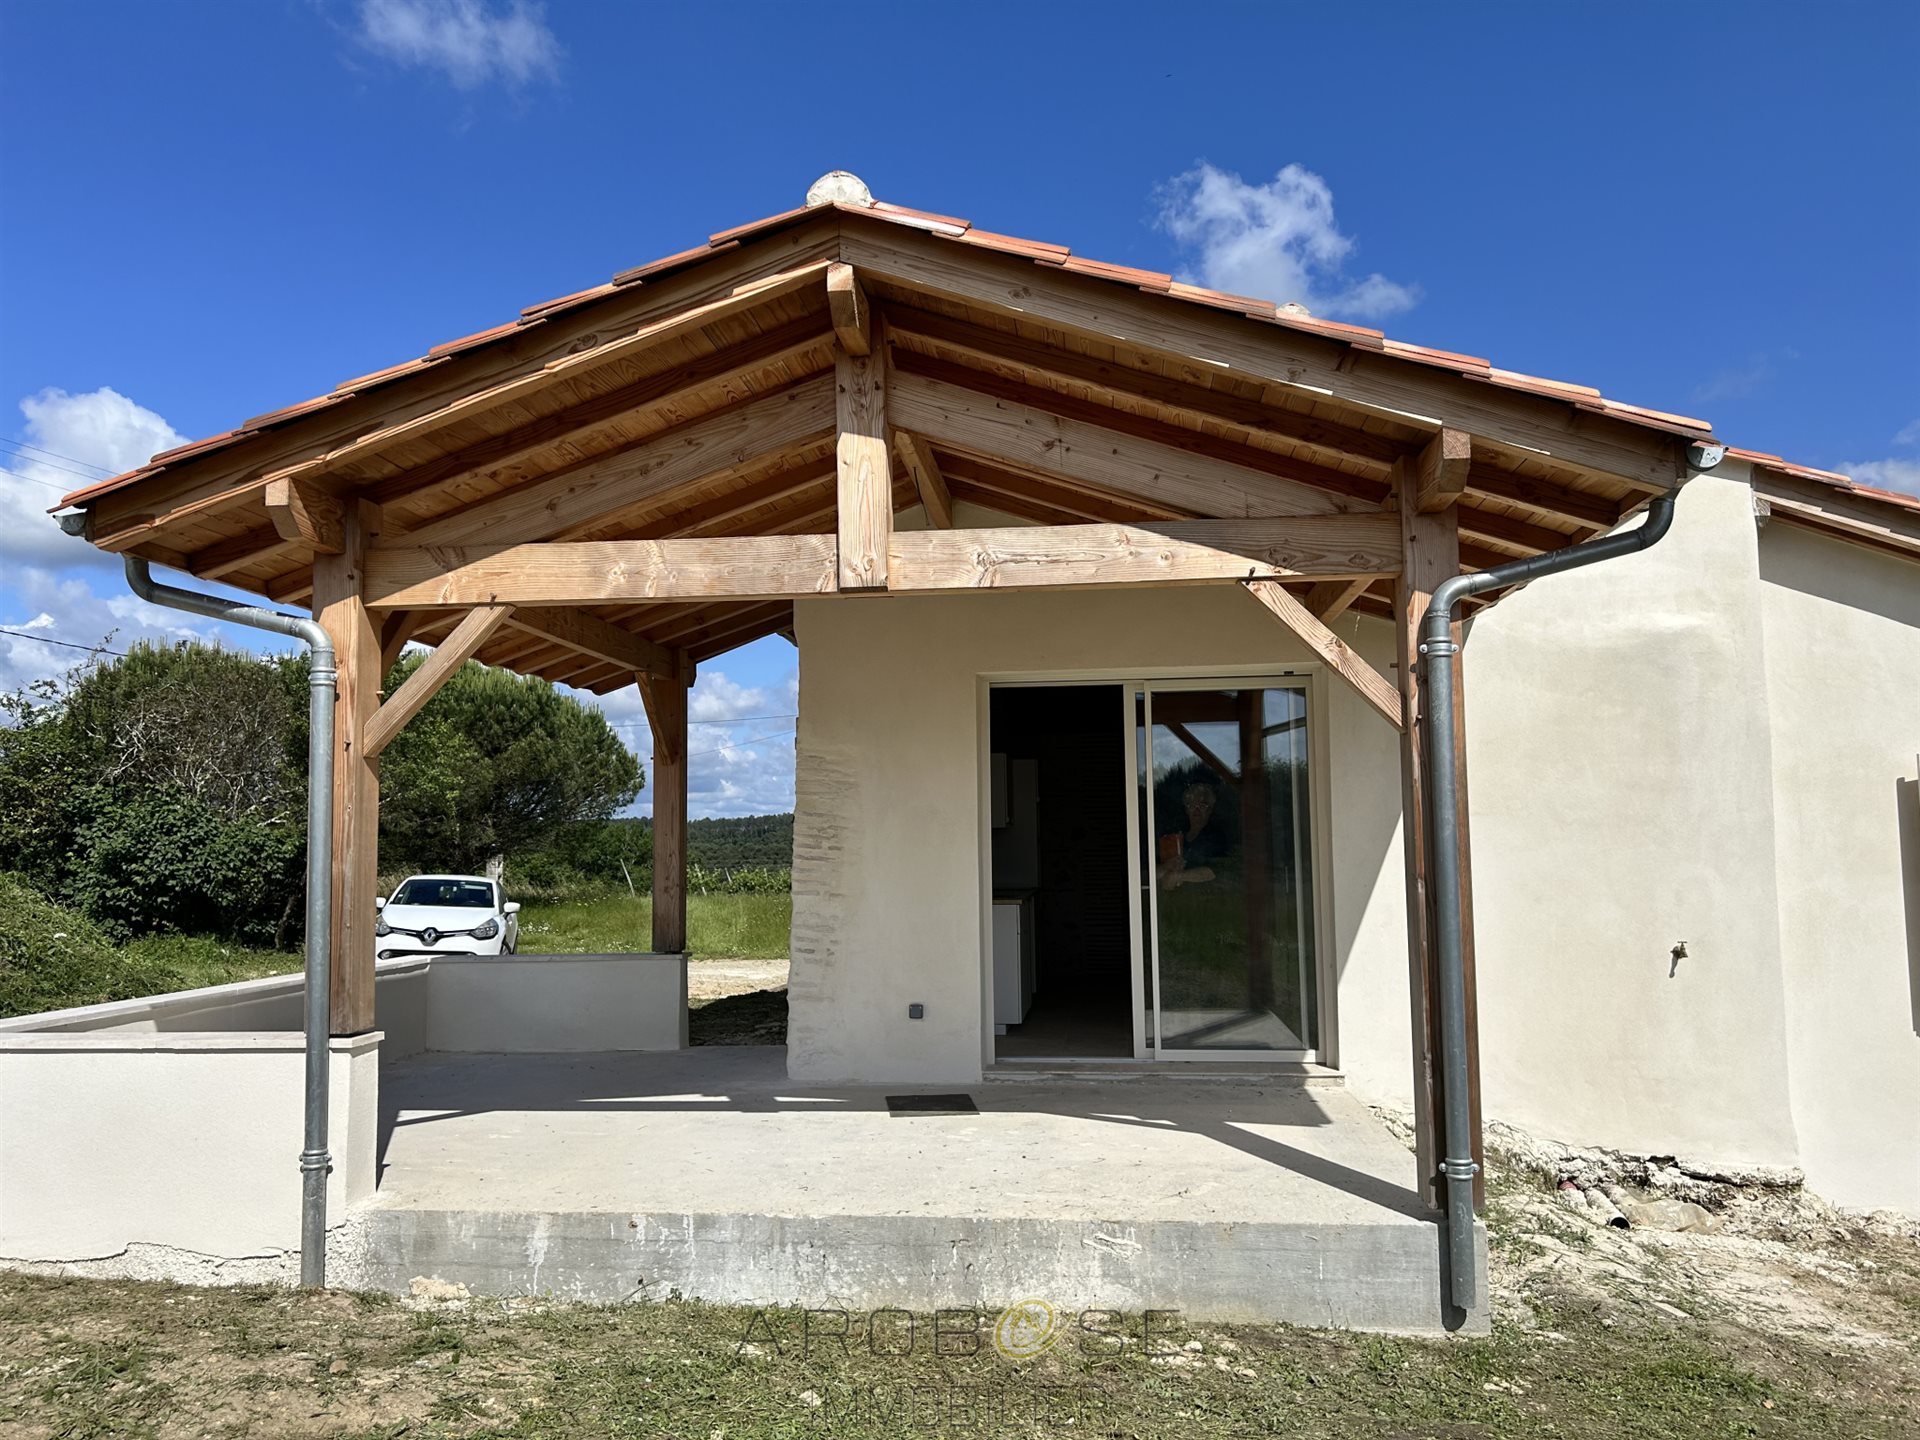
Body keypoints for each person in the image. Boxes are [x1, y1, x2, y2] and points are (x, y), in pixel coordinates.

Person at [1156, 779, 1233, 889]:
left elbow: (1216, 870)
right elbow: (1149, 873)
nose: (1196, 811)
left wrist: (1179, 876)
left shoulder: (1216, 836)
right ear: (1186, 810)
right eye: (1192, 806)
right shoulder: (1175, 836)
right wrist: (1165, 867)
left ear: (1210, 810)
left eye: (1202, 806)